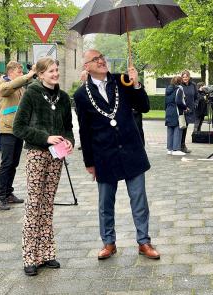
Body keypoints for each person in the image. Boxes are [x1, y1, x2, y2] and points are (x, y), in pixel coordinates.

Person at [74, 49, 160, 260]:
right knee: (105, 203)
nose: (101, 60)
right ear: (87, 66)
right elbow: (84, 131)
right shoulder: (81, 95)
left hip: (131, 150)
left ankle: (144, 242)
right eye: (95, 59)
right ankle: (109, 242)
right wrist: (89, 162)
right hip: (104, 155)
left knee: (139, 199)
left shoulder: (123, 80)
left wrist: (137, 84)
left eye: (101, 57)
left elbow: (144, 107)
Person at [13, 57, 74, 276]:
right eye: (50, 71)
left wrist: (69, 141)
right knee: (34, 204)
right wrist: (46, 138)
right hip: (37, 154)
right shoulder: (31, 94)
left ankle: (47, 253)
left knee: (48, 204)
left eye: (57, 70)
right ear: (40, 75)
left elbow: (68, 127)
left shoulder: (64, 97)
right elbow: (18, 127)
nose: (55, 74)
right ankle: (30, 256)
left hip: (56, 157)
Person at [0, 61, 36, 210]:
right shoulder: (4, 83)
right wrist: (29, 75)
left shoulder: (18, 86)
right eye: (19, 72)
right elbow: (8, 89)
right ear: (11, 72)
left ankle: (8, 193)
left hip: (17, 129)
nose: (22, 75)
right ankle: (1, 197)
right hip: (7, 130)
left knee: (14, 163)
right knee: (6, 163)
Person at [165, 76, 187, 156]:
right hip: (176, 112)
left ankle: (169, 149)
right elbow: (179, 102)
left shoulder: (167, 89)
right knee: (178, 130)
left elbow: (166, 102)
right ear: (179, 82)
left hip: (168, 111)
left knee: (170, 131)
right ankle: (176, 149)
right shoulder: (179, 89)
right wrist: (185, 107)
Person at [180, 70, 197, 153]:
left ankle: (182, 145)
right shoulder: (180, 86)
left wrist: (195, 104)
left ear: (189, 77)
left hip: (190, 110)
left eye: (186, 77)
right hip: (182, 110)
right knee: (182, 127)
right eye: (183, 77)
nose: (185, 78)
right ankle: (181, 145)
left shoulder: (193, 85)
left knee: (185, 127)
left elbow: (197, 96)